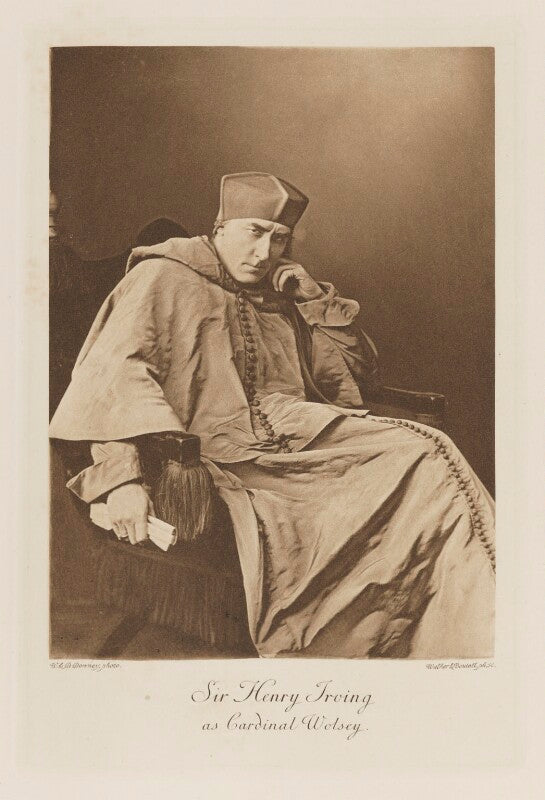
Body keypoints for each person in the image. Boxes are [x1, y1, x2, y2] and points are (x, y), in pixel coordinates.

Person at [49, 172, 495, 659]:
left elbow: (350, 377)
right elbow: (112, 379)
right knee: (425, 456)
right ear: (221, 226)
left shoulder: (276, 294)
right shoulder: (161, 278)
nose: (264, 253)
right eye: (255, 232)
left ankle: (464, 634)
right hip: (213, 454)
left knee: (426, 453)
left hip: (299, 434)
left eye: (279, 239)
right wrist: (122, 480)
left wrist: (312, 300)